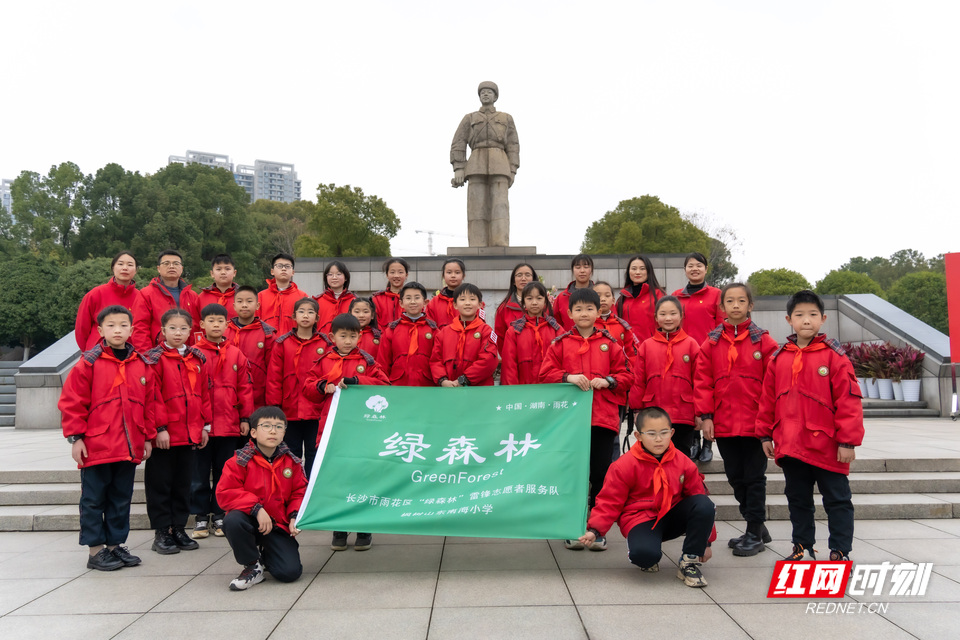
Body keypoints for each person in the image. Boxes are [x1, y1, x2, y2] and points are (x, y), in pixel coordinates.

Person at [756, 290, 864, 562]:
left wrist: (847, 442)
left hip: (828, 446)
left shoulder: (834, 357)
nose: (807, 320)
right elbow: (767, 399)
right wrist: (765, 434)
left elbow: (849, 401)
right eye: (800, 315)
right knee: (798, 500)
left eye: (813, 315)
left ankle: (840, 552)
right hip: (791, 445)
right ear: (789, 319)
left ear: (823, 319)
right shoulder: (778, 358)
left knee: (837, 500)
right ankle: (801, 546)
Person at [59, 305, 158, 571]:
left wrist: (147, 437)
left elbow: (148, 404)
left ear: (131, 329)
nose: (118, 330)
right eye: (111, 325)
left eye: (123, 325)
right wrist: (75, 438)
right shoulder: (89, 362)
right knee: (93, 499)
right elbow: (72, 403)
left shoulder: (141, 362)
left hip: (129, 445)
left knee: (120, 497)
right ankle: (95, 551)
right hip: (97, 445)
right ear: (100, 330)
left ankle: (115, 546)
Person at [579, 407, 716, 587]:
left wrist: (706, 541)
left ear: (672, 432)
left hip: (673, 514)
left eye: (663, 433)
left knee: (704, 503)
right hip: (641, 518)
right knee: (644, 556)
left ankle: (689, 561)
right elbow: (609, 501)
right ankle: (646, 550)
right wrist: (595, 530)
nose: (658, 439)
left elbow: (698, 495)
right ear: (638, 436)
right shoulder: (623, 466)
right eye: (651, 433)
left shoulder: (683, 462)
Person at [538, 287, 632, 550]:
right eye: (578, 309)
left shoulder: (611, 343)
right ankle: (573, 524)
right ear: (569, 313)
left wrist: (608, 381)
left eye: (589, 308)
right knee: (574, 474)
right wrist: (567, 377)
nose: (584, 313)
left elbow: (627, 376)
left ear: (599, 310)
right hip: (570, 422)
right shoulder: (561, 343)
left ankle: (596, 528)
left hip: (602, 420)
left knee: (601, 474)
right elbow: (544, 373)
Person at [695, 283, 778, 556]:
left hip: (755, 423)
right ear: (721, 307)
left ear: (750, 305)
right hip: (726, 423)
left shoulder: (764, 342)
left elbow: (774, 383)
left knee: (754, 477)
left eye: (741, 301)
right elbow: (703, 381)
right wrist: (706, 417)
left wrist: (769, 423)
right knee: (735, 477)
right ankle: (758, 527)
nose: (735, 306)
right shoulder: (712, 342)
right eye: (729, 301)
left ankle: (754, 530)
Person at [304, 313, 390, 551]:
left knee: (363, 477)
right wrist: (323, 385)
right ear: (332, 337)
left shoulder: (367, 360)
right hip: (333, 429)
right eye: (343, 336)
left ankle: (364, 529)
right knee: (337, 480)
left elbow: (385, 385)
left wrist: (357, 381)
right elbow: (308, 387)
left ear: (360, 336)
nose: (348, 341)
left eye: (353, 336)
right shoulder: (323, 361)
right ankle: (339, 528)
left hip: (362, 431)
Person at [217, 406, 306, 591]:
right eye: (267, 426)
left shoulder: (293, 462)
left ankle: (267, 555)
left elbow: (299, 492)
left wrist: (294, 515)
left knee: (289, 573)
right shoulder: (238, 461)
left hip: (277, 524)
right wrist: (256, 508)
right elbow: (226, 492)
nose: (273, 431)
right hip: (250, 520)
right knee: (232, 520)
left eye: (279, 427)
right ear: (254, 432)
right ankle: (252, 565)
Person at [145, 308, 208, 555]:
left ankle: (179, 528)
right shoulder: (154, 358)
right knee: (160, 484)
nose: (178, 333)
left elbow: (203, 394)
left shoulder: (196, 358)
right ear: (162, 331)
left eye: (183, 328)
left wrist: (205, 425)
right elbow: (152, 397)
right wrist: (159, 428)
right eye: (172, 328)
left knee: (183, 484)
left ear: (191, 331)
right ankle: (162, 531)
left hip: (190, 433)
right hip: (165, 436)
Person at [191, 303, 254, 539]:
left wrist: (245, 418)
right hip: (202, 428)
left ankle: (219, 514)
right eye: (211, 320)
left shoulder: (236, 353)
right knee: (198, 475)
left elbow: (245, 388)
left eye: (220, 321)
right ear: (202, 325)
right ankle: (199, 517)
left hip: (229, 425)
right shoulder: (194, 353)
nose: (216, 325)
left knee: (223, 473)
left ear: (227, 324)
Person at [450, 80, 520, 247]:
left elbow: (513, 145)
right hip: (476, 163)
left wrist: (512, 169)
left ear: (495, 96)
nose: (485, 94)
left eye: (489, 92)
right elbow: (458, 142)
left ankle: (500, 244)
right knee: (476, 208)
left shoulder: (506, 118)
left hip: (500, 162)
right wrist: (459, 168)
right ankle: (477, 245)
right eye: (482, 92)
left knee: (500, 206)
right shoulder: (470, 118)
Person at [266, 297, 330, 477]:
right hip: (289, 409)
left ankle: (311, 491)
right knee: (290, 453)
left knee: (314, 452)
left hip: (316, 410)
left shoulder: (325, 344)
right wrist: (275, 409)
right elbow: (274, 378)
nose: (305, 316)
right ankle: (292, 492)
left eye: (310, 312)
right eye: (301, 312)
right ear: (294, 316)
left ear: (317, 318)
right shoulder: (282, 343)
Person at [632, 296, 701, 461]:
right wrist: (636, 410)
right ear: (656, 317)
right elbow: (638, 381)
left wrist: (700, 413)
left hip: (683, 413)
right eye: (663, 314)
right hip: (653, 411)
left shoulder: (691, 344)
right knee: (653, 458)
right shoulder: (646, 346)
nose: (668, 318)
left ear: (681, 316)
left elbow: (700, 381)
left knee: (681, 457)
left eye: (673, 313)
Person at [673, 252, 724, 463]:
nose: (694, 269)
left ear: (705, 269)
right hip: (682, 354)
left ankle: (707, 443)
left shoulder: (717, 294)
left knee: (707, 397)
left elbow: (722, 326)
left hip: (708, 353)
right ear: (685, 270)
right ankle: (693, 440)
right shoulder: (676, 296)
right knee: (688, 396)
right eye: (690, 265)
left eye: (699, 265)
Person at [132, 249, 202, 352]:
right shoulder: (146, 294)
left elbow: (196, 327)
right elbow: (140, 328)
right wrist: (146, 356)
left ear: (181, 269)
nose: (171, 266)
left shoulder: (192, 295)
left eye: (176, 263)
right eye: (166, 263)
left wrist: (196, 351)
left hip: (187, 353)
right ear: (159, 268)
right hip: (158, 354)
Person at [431, 283, 498, 387]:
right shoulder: (444, 332)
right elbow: (435, 360)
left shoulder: (486, 331)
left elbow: (489, 360)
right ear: (455, 305)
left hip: (479, 390)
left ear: (480, 304)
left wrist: (464, 379)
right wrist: (442, 380)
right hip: (449, 389)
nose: (467, 303)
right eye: (462, 300)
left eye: (472, 299)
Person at [74, 251, 140, 351]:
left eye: (130, 265)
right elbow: (81, 329)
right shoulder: (95, 294)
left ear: (136, 270)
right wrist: (89, 353)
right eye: (120, 264)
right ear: (113, 268)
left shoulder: (140, 297)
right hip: (98, 354)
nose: (125, 268)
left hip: (130, 354)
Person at [377, 282, 439, 387]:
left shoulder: (434, 330)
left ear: (425, 302)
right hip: (398, 385)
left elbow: (438, 361)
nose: (413, 302)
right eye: (408, 298)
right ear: (401, 303)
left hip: (427, 386)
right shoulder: (391, 330)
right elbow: (383, 362)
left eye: (417, 298)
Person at [225, 285, 276, 410]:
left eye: (249, 301)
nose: (244, 305)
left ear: (257, 306)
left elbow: (273, 370)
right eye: (240, 301)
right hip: (228, 396)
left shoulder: (267, 334)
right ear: (234, 306)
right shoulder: (224, 331)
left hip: (257, 397)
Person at [500, 281, 561, 385]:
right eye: (529, 298)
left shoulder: (556, 329)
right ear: (523, 303)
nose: (534, 302)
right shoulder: (514, 331)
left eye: (539, 298)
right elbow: (509, 367)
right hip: (523, 392)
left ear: (545, 301)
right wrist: (512, 393)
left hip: (552, 391)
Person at [616, 254, 663, 343]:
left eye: (642, 268)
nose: (637, 272)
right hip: (628, 350)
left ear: (649, 271)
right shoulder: (622, 298)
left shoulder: (659, 295)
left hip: (652, 348)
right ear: (628, 272)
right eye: (634, 269)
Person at [494, 263, 538, 354]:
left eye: (527, 275)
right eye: (519, 275)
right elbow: (500, 338)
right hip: (514, 360)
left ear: (533, 279)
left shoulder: (544, 306)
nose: (523, 278)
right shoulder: (504, 308)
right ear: (513, 281)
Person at [258, 253, 305, 336]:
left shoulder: (302, 297)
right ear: (272, 271)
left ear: (293, 272)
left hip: (293, 343)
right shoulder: (261, 296)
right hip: (268, 343)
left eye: (287, 266)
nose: (283, 269)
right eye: (279, 266)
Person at [553, 254, 595, 332]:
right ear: (572, 270)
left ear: (591, 270)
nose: (582, 271)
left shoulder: (600, 294)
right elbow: (555, 324)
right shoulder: (562, 297)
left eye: (586, 267)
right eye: (578, 267)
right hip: (569, 342)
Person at [315, 260, 357, 334]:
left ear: (346, 277)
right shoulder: (317, 301)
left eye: (338, 274)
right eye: (330, 274)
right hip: (323, 343)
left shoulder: (355, 301)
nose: (334, 277)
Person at [425, 259, 467, 329]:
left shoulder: (471, 300)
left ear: (463, 275)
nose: (453, 276)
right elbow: (429, 326)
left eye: (457, 272)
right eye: (449, 272)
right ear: (443, 275)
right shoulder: (434, 302)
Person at [197, 254, 240, 320]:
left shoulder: (242, 296)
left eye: (227, 269)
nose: (223, 272)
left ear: (234, 273)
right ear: (212, 273)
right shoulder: (201, 297)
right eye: (218, 269)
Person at [371, 258, 410, 330]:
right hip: (382, 339)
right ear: (387, 275)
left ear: (406, 275)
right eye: (392, 272)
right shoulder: (377, 299)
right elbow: (375, 323)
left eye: (400, 272)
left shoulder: (412, 299)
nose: (396, 275)